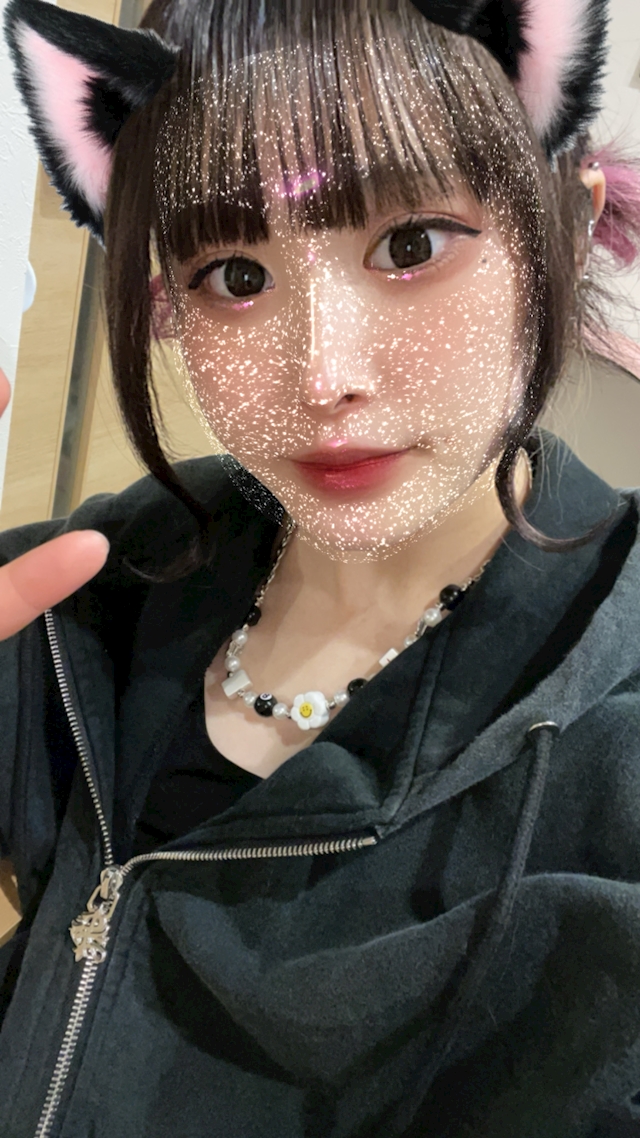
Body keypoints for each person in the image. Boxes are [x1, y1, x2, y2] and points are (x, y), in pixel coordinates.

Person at [2, 0, 640, 1134]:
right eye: (233, 273)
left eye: (411, 245)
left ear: (572, 221)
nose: (321, 375)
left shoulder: (614, 739)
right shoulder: (82, 594)